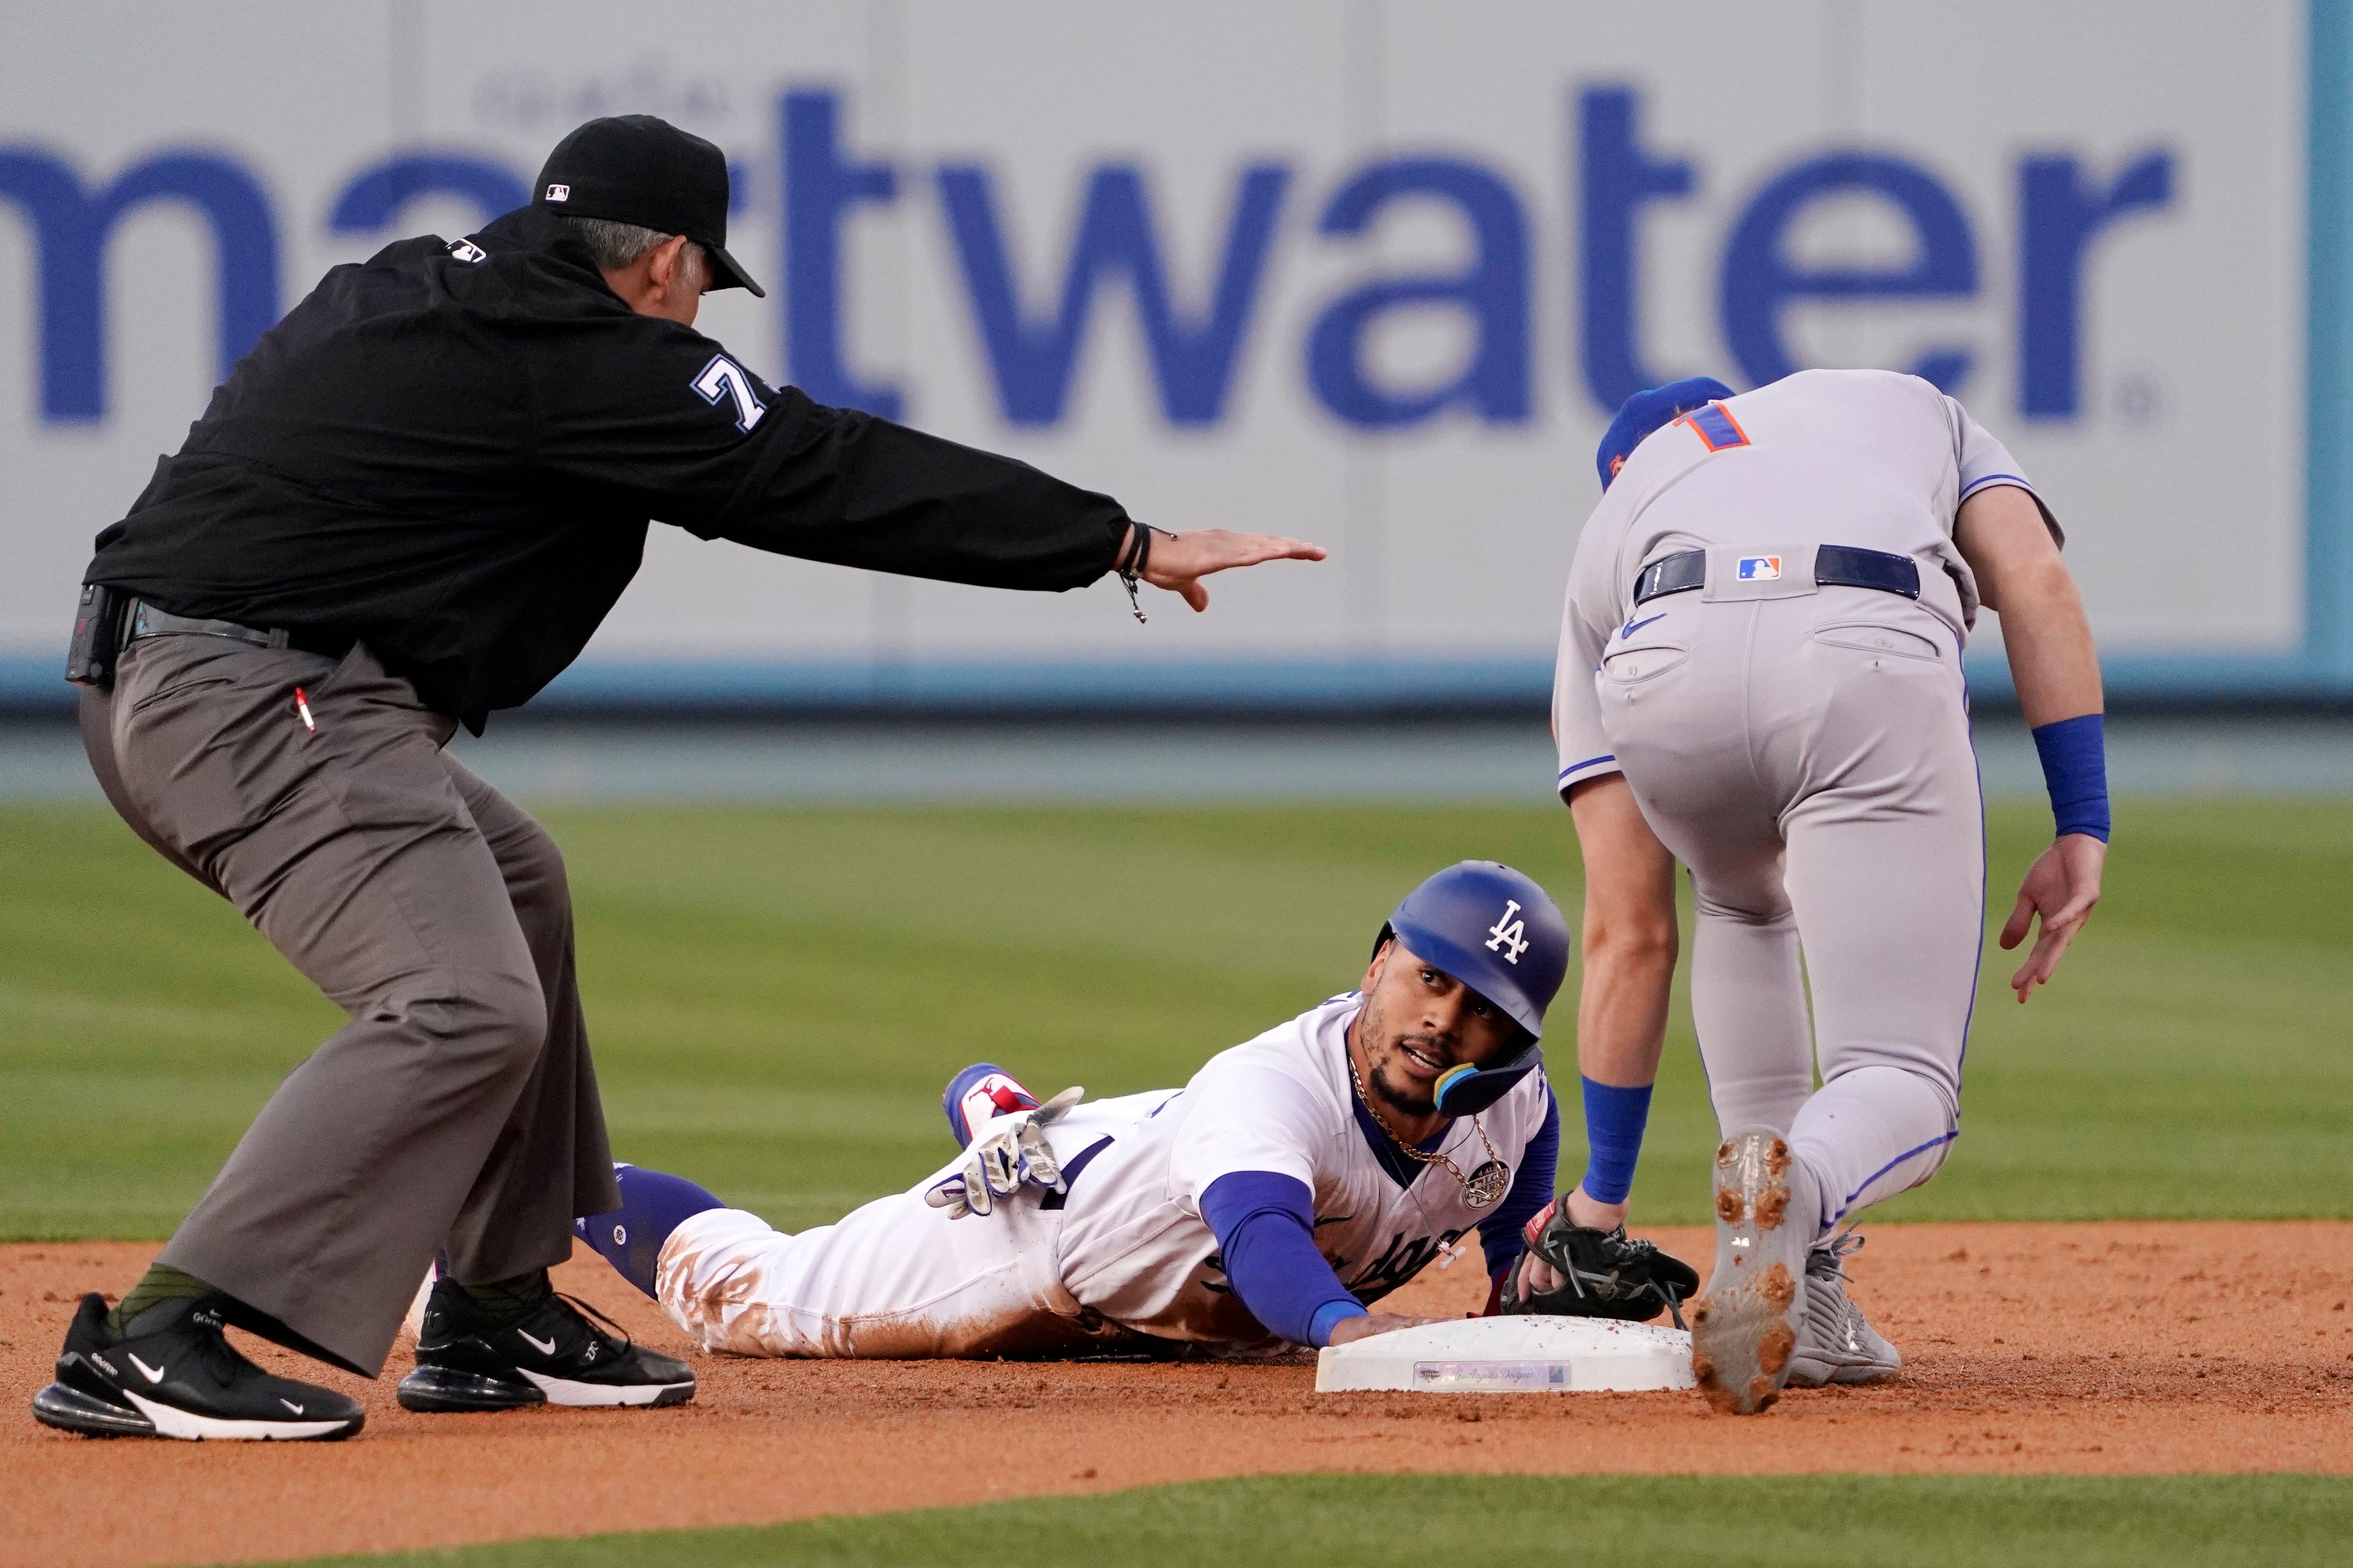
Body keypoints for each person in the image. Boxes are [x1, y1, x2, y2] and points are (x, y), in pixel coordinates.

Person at [35, 114, 1321, 1442]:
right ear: (660, 261)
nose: (703, 305)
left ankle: (492, 1303)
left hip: (167, 671)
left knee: (517, 885)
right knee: (459, 1000)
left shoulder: (420, 281)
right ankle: (159, 1332)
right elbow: (826, 469)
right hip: (252, 690)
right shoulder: (591, 357)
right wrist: (1118, 541)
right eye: (706, 276)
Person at [1548, 370, 2108, 1415]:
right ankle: (1794, 1193)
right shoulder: (1898, 402)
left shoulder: (1609, 529)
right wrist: (2082, 819)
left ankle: (1803, 1300)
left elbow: (1628, 931)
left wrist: (1599, 1201)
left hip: (1657, 647)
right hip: (1860, 636)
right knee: (1902, 1077)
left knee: (1733, 894)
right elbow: (2033, 578)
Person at [568, 864, 1689, 1362]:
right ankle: (544, 1182)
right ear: (1377, 961)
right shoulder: (1275, 1088)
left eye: (1482, 1010)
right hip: (1036, 1239)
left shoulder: (1519, 1108)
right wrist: (1358, 1339)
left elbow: (1512, 1249)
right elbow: (1263, 1245)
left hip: (1162, 1169)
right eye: (1427, 979)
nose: (1445, 1021)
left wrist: (1539, 1289)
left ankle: (1004, 1107)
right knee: (749, 1297)